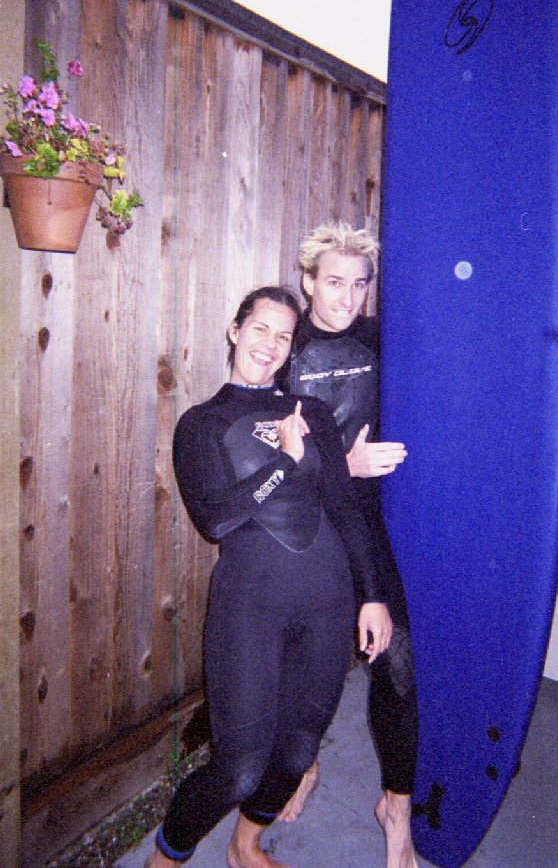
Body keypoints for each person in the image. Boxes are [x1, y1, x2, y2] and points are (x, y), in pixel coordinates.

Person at [276, 222, 558, 868]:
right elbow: (264, 456)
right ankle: (303, 764)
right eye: (333, 282)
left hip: (372, 520)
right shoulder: (286, 349)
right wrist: (343, 465)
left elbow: (472, 349)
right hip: (307, 519)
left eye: (359, 284)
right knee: (307, 655)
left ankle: (396, 805)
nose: (347, 298)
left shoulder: (378, 338)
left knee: (395, 658)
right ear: (308, 282)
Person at [145, 286, 392, 868]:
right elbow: (215, 518)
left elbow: (344, 508)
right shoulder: (201, 424)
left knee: (299, 749)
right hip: (250, 606)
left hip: (329, 601)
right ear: (235, 331)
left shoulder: (314, 414)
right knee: (238, 767)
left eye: (283, 336)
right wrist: (284, 459)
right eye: (260, 329)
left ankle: (246, 844)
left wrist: (373, 596)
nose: (271, 344)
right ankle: (165, 858)